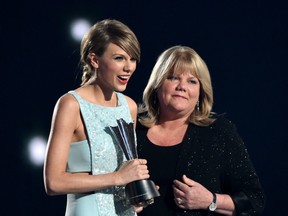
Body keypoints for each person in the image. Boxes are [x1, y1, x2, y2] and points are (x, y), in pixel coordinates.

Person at [136, 45, 266, 216]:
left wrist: (210, 201)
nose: (182, 86)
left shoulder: (219, 131)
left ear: (200, 91)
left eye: (192, 81)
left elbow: (255, 200)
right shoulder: (133, 127)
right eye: (173, 78)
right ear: (157, 84)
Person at [43, 19, 150, 216]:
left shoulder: (129, 106)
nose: (129, 67)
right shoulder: (71, 104)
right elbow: (53, 182)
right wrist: (118, 178)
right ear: (94, 60)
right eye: (119, 58)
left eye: (133, 58)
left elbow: (123, 176)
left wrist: (132, 196)